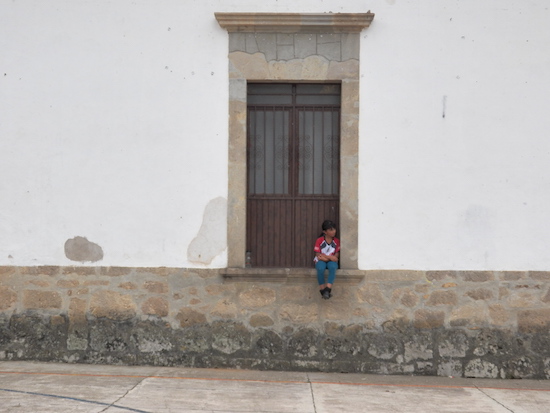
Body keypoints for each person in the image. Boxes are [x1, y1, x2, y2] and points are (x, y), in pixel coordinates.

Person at [314, 220, 340, 299]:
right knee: (320, 268)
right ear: (325, 232)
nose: (333, 231)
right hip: (321, 260)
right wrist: (330, 257)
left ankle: (328, 289)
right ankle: (322, 289)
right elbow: (318, 254)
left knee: (333, 267)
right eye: (331, 230)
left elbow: (336, 256)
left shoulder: (336, 241)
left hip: (330, 261)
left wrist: (327, 258)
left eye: (334, 229)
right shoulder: (319, 240)